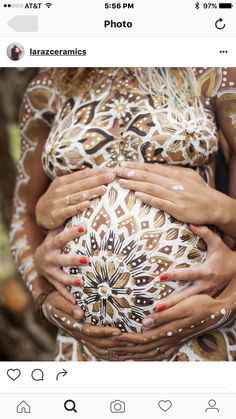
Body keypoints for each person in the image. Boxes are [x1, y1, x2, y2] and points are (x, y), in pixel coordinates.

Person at [10, 67, 236, 361]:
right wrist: (43, 295)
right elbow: (24, 213)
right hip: (83, 344)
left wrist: (224, 306)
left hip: (200, 335)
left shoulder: (215, 75)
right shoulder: (48, 89)